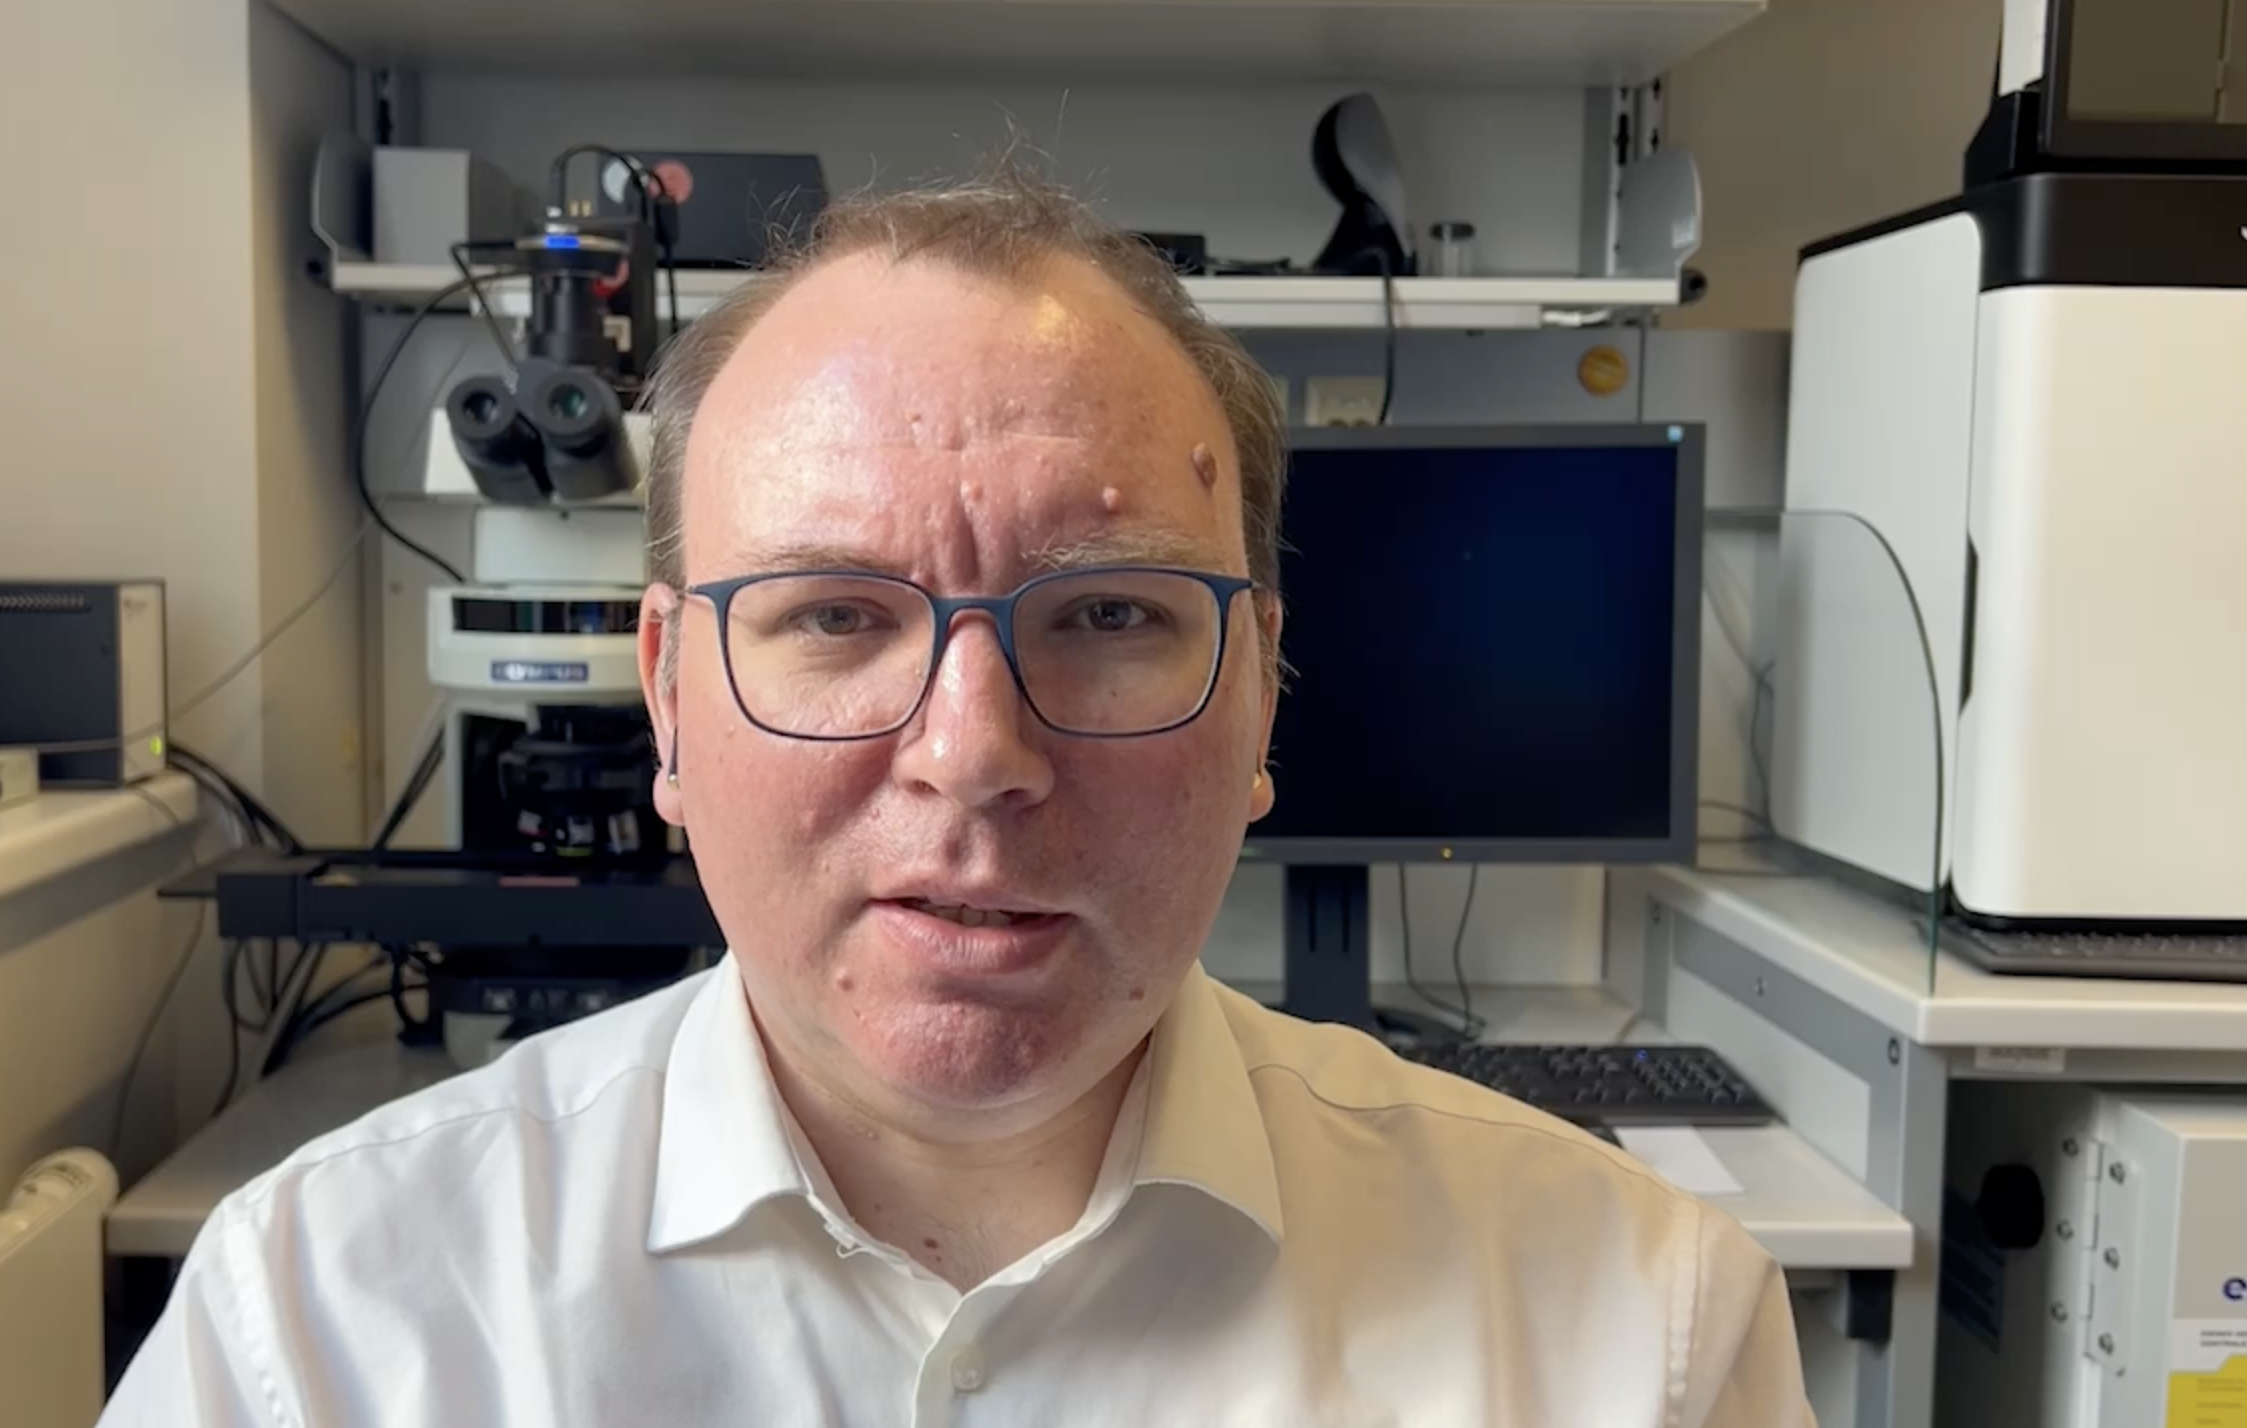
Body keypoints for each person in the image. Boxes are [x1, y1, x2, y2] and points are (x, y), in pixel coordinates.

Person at [100, 157, 1815, 1427]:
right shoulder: (316, 1332)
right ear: (669, 703)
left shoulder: (1634, 1336)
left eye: (1112, 616)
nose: (974, 749)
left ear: (1263, 690)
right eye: (835, 616)